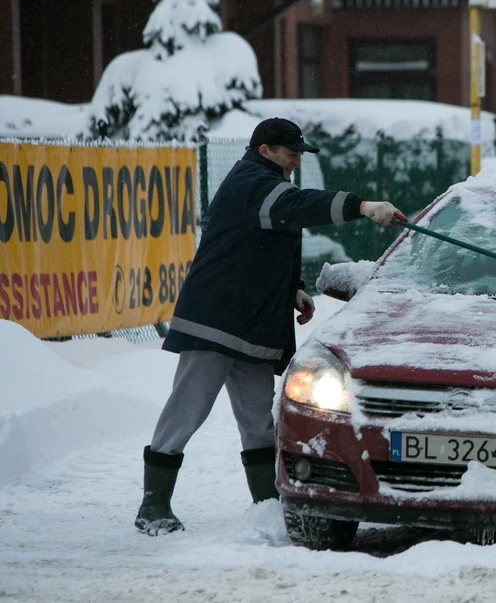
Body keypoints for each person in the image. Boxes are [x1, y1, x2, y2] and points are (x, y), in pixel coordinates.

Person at [135, 117, 405, 536]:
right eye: (291, 152)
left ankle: (267, 507)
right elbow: (297, 207)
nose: (297, 159)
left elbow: (266, 244)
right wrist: (362, 206)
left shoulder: (266, 183)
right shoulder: (252, 181)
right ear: (265, 151)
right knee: (186, 411)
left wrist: (292, 288)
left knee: (259, 421)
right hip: (217, 322)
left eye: (300, 152)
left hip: (252, 325)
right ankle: (153, 505)